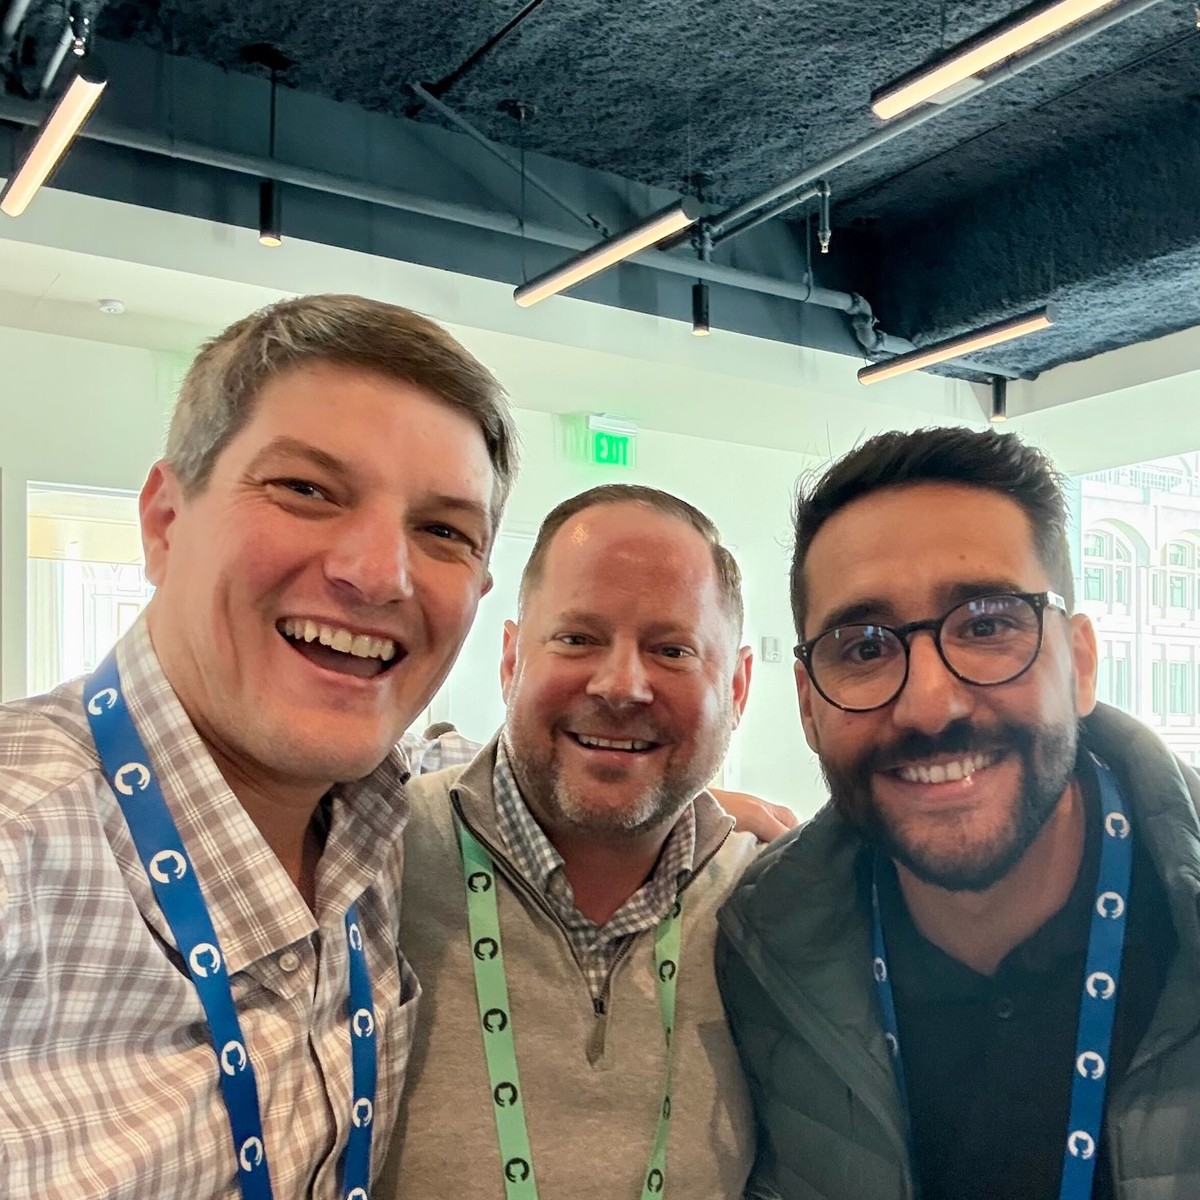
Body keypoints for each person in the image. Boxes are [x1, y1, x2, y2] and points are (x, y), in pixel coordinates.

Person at [0, 294, 518, 1198]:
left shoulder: (389, 821)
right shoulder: (20, 847)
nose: (378, 575)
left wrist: (686, 812)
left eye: (443, 531)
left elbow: (467, 761)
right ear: (165, 521)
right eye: (307, 490)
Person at [716, 426, 1200, 1200]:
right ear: (808, 707)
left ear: (1079, 664)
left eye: (986, 624)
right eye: (864, 646)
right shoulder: (761, 947)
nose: (929, 705)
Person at [380, 484, 771, 1199]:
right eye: (577, 638)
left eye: (673, 649)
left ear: (739, 688)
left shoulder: (770, 906)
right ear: (510, 660)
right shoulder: (373, 862)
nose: (621, 686)